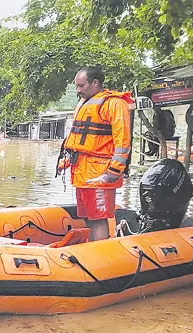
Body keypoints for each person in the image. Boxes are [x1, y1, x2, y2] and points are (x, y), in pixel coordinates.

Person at [57, 66, 133, 241]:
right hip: (81, 171)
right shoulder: (83, 104)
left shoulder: (114, 103)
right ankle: (92, 249)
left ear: (95, 83)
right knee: (87, 216)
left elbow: (123, 141)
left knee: (98, 219)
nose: (78, 90)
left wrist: (113, 172)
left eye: (81, 86)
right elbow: (78, 140)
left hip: (99, 172)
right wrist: (66, 161)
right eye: (77, 86)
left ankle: (101, 252)